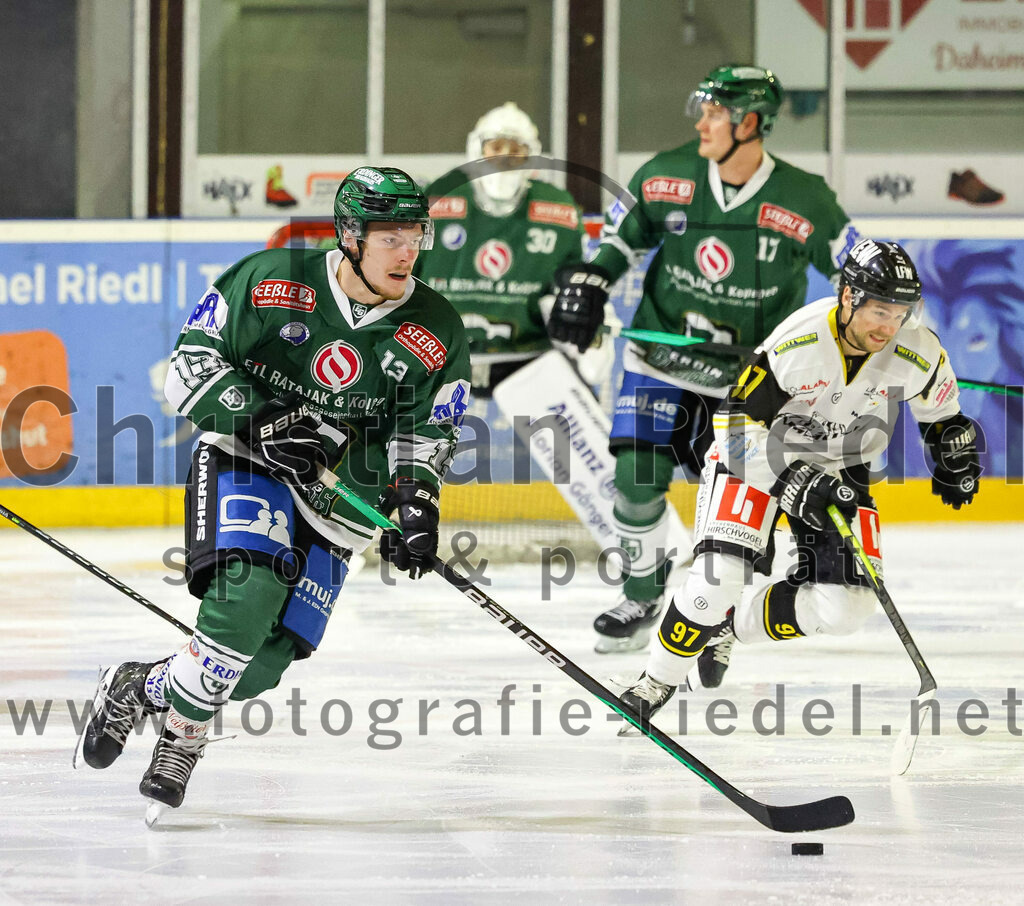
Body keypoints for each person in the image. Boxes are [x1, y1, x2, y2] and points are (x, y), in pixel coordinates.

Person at [73, 167, 472, 810]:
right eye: (390, 235)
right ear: (350, 235)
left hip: (342, 502)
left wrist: (418, 501)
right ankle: (183, 736)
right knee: (248, 595)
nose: (408, 249)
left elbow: (429, 428)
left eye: (416, 233)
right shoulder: (271, 279)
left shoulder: (438, 328)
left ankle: (140, 688)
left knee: (259, 667)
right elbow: (187, 368)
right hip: (244, 457)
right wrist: (262, 422)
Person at [547, 64, 861, 653]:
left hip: (753, 376)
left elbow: (854, 271)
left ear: (750, 123)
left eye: (716, 113)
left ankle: (717, 616)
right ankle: (642, 594)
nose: (703, 123)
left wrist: (865, 336)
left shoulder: (805, 197)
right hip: (660, 353)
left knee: (739, 501)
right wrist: (593, 278)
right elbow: (623, 237)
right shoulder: (668, 174)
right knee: (636, 475)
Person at [616, 239, 981, 720]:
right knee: (717, 580)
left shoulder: (920, 350)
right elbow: (734, 424)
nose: (889, 326)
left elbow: (942, 415)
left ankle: (731, 627)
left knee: (846, 609)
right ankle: (654, 682)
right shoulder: (799, 341)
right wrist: (791, 478)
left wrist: (953, 450)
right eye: (879, 311)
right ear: (848, 297)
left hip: (842, 469)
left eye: (900, 313)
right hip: (756, 455)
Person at [414, 101, 596, 397]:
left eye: (515, 150)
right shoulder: (438, 198)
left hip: (529, 361)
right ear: (477, 150)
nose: (504, 158)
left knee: (574, 428)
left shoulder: (558, 208)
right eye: (495, 147)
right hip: (439, 360)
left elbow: (577, 286)